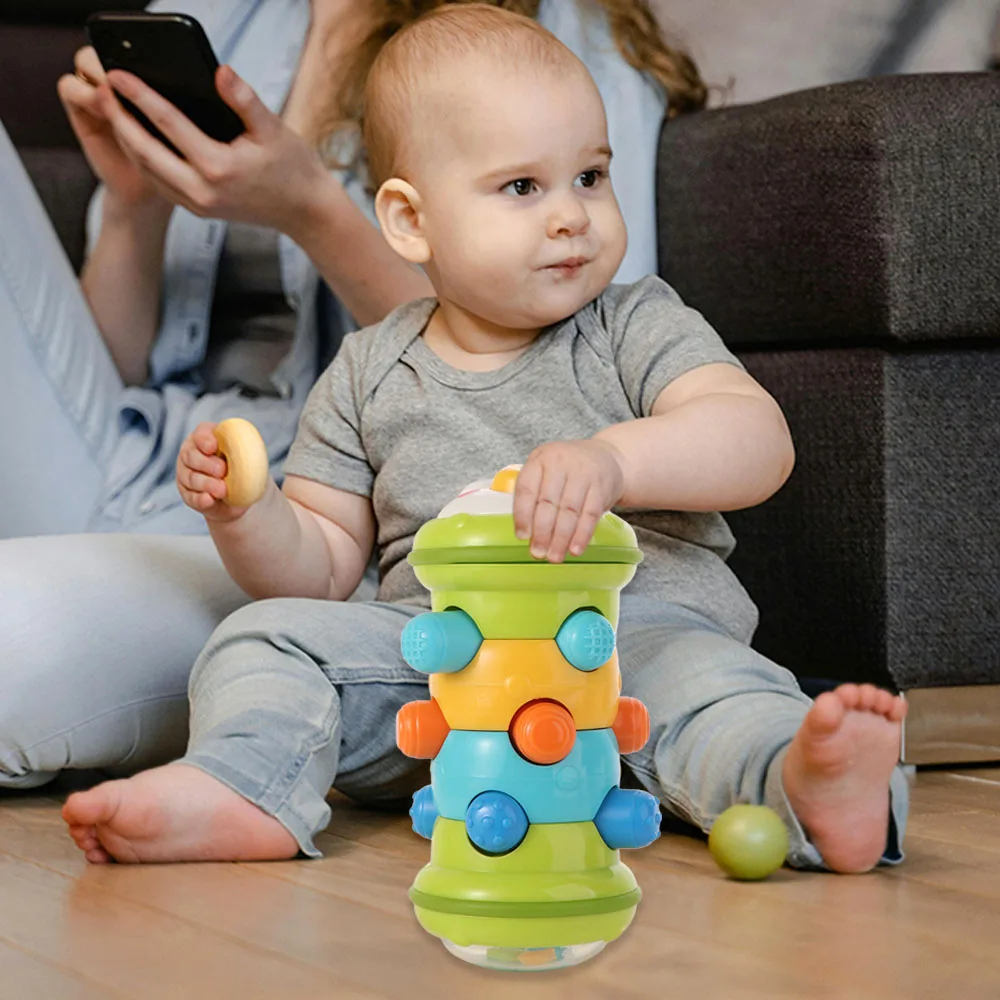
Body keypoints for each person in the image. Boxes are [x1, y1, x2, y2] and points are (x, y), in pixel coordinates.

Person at [61, 4, 910, 875]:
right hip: (438, 666)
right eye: (522, 188)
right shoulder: (367, 371)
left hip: (634, 640)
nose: (572, 217)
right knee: (264, 635)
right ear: (410, 222)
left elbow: (756, 441)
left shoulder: (633, 323)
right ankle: (241, 787)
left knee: (721, 695)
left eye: (590, 176)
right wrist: (246, 514)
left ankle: (805, 787)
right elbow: (318, 564)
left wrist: (615, 459)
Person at [0, 0, 687, 789]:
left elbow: (578, 352)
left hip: (298, 529)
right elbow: (109, 368)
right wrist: (132, 202)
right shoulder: (224, 13)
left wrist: (313, 210)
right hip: (140, 454)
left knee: (11, 648)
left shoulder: (544, 41)